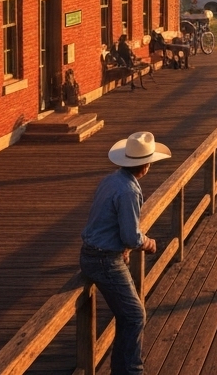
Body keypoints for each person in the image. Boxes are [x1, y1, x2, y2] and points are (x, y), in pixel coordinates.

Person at [81, 131, 169, 375]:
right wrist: (147, 243)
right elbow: (130, 235)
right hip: (104, 259)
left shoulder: (111, 180)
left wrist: (125, 247)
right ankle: (131, 371)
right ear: (146, 165)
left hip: (92, 252)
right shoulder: (130, 190)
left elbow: (108, 223)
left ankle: (122, 370)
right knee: (134, 316)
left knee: (127, 314)